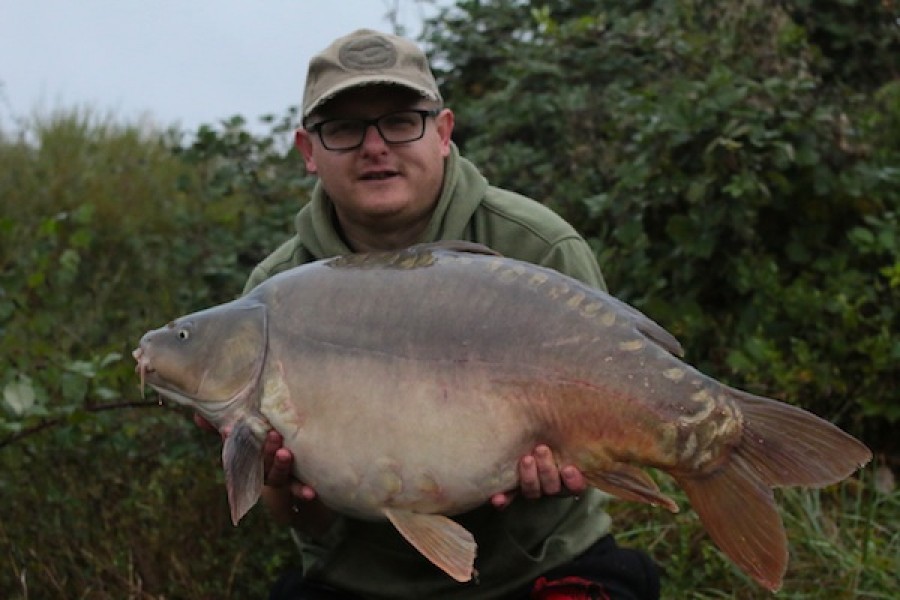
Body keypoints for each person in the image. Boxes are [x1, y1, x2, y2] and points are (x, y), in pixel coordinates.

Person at [226, 28, 660, 599]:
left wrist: (568, 470)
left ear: (444, 133)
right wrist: (291, 491)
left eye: (402, 120)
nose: (375, 146)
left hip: (536, 565)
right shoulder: (272, 297)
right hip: (360, 582)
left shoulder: (538, 247)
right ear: (309, 151)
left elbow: (607, 412)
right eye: (345, 128)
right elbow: (291, 513)